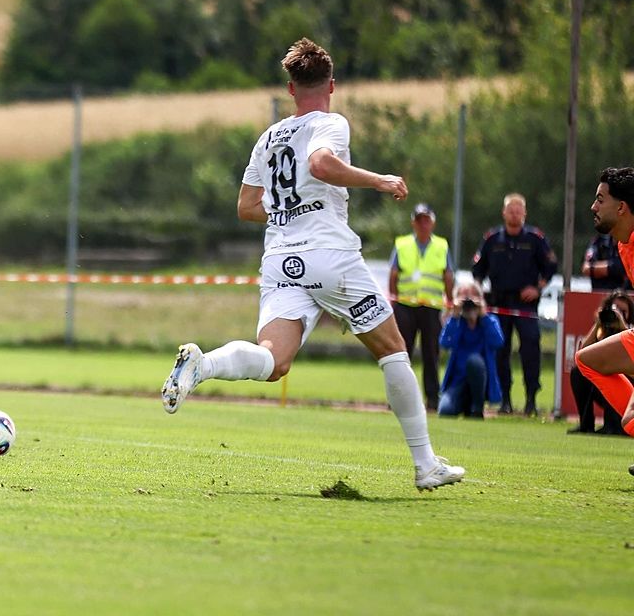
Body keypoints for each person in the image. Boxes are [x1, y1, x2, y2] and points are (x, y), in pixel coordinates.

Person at [160, 38, 464, 491]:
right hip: (328, 254)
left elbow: (246, 206)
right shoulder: (330, 122)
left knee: (273, 360)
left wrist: (286, 206)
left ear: (290, 88)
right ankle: (425, 464)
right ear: (332, 86)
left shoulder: (268, 138)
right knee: (393, 349)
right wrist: (378, 180)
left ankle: (203, 366)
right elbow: (321, 164)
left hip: (281, 259)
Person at [472, 193, 557, 416]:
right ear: (503, 212)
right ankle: (505, 400)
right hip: (499, 304)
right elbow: (478, 271)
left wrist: (537, 288)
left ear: (525, 213)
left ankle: (531, 400)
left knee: (530, 349)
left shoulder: (535, 238)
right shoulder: (492, 239)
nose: (515, 214)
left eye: (519, 210)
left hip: (525, 306)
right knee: (500, 351)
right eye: (511, 210)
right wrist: (479, 291)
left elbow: (550, 267)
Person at [574, 167, 634, 443]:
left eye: (600, 199)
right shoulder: (623, 246)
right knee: (586, 360)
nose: (593, 206)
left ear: (621, 207)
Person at [388, 203, 455, 410]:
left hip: (432, 307)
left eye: (426, 220)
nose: (423, 224)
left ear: (432, 223)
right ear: (413, 223)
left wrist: (450, 301)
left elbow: (448, 275)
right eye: (419, 220)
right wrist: (395, 300)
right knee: (401, 354)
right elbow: (393, 274)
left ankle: (432, 399)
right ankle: (398, 399)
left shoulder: (441, 246)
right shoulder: (402, 244)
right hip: (406, 306)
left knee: (431, 354)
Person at [568, 290, 632, 435]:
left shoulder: (630, 329)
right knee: (577, 372)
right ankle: (586, 424)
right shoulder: (602, 330)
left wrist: (622, 326)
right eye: (615, 309)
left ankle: (614, 426)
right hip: (603, 388)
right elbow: (582, 354)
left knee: (618, 372)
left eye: (623, 311)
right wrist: (598, 324)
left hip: (627, 385)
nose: (618, 314)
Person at [437, 281, 503, 418]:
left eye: (472, 296)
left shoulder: (489, 320)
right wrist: (454, 315)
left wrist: (483, 316)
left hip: (481, 380)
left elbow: (498, 342)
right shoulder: (456, 322)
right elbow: (444, 343)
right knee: (445, 411)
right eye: (463, 297)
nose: (468, 302)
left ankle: (477, 408)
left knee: (474, 361)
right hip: (458, 381)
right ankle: (466, 406)